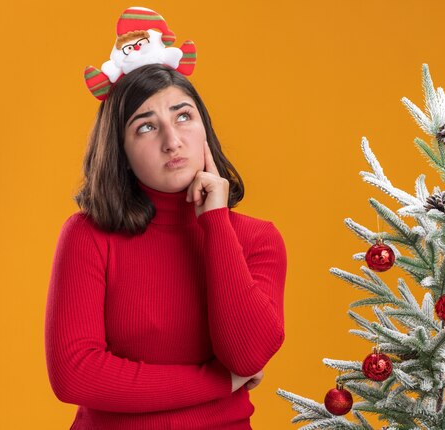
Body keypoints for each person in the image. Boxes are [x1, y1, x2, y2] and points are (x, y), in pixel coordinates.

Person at [44, 8, 287, 430]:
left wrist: (215, 222)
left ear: (204, 129)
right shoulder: (87, 235)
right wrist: (222, 383)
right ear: (119, 149)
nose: (172, 141)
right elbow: (75, 375)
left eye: (183, 116)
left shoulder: (256, 239)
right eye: (145, 127)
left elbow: (247, 356)